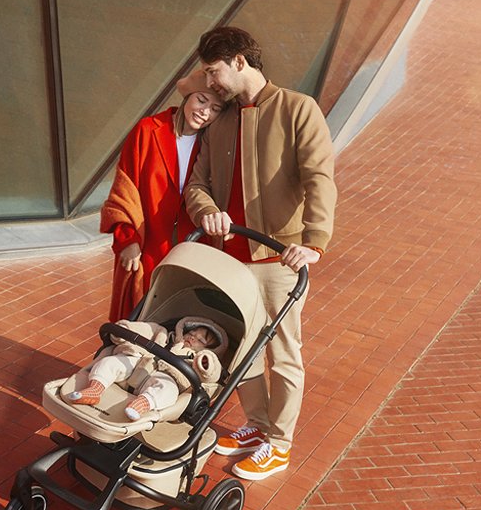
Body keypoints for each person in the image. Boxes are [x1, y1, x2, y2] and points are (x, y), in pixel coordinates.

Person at [182, 26, 337, 481]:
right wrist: (206, 210)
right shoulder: (221, 119)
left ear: (239, 62)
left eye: (214, 72)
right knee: (240, 349)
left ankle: (280, 444)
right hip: (229, 259)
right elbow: (197, 184)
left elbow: (319, 178)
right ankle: (258, 425)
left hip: (279, 258)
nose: (210, 82)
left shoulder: (297, 108)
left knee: (283, 354)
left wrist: (314, 241)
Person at [100, 86, 224, 322]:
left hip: (191, 246)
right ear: (188, 95)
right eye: (201, 100)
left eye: (215, 109)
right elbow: (125, 189)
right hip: (146, 241)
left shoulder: (213, 145)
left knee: (178, 318)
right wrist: (128, 239)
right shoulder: (148, 130)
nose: (205, 112)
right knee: (136, 315)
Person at [65, 317, 228, 421]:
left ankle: (143, 404)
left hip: (169, 376)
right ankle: (94, 389)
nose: (193, 337)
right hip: (139, 363)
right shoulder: (165, 335)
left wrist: (206, 363)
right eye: (192, 332)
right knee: (110, 362)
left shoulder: (198, 359)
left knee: (167, 391)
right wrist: (126, 330)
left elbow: (211, 375)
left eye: (201, 340)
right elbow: (146, 329)